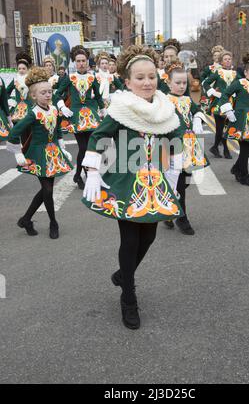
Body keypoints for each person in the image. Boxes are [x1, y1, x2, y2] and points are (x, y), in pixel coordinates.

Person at [81, 45, 183, 330]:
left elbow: (176, 140)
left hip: (157, 183)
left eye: (151, 76)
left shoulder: (166, 108)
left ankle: (122, 275)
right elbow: (98, 137)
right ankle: (128, 298)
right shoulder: (120, 109)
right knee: (130, 241)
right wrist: (91, 171)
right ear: (127, 82)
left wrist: (174, 175)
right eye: (140, 78)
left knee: (148, 238)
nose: (147, 82)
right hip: (126, 182)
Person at [6, 67, 73, 239]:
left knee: (46, 190)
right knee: (48, 190)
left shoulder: (53, 110)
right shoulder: (33, 113)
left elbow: (57, 130)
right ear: (34, 96)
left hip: (53, 154)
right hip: (38, 155)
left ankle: (26, 219)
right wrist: (18, 153)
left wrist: (62, 147)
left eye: (50, 92)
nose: (48, 95)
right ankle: (53, 223)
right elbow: (14, 132)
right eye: (43, 93)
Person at [164, 60, 209, 235]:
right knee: (180, 183)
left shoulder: (187, 99)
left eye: (184, 83)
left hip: (190, 145)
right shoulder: (165, 100)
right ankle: (182, 218)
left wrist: (197, 118)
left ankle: (169, 209)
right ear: (169, 82)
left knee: (185, 180)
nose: (182, 86)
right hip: (174, 146)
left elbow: (197, 109)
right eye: (178, 83)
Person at [54, 45, 104, 190]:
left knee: (89, 149)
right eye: (78, 61)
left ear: (87, 61)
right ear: (74, 63)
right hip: (76, 117)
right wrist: (62, 107)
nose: (81, 63)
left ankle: (79, 176)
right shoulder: (70, 77)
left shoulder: (92, 77)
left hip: (91, 116)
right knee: (83, 148)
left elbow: (98, 96)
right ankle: (80, 176)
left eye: (83, 60)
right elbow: (57, 94)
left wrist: (103, 110)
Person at [218, 52, 249, 187]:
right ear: (246, 72)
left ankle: (236, 168)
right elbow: (225, 94)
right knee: (246, 148)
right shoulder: (239, 83)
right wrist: (228, 110)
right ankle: (244, 175)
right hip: (241, 120)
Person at [202, 51, 237, 159]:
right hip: (219, 103)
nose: (228, 60)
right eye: (225, 59)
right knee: (220, 127)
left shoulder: (235, 73)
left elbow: (242, 84)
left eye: (229, 59)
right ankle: (225, 150)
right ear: (221, 62)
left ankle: (216, 147)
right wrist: (213, 92)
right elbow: (206, 82)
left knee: (225, 128)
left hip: (231, 103)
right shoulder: (218, 72)